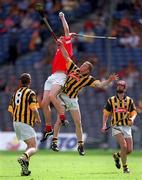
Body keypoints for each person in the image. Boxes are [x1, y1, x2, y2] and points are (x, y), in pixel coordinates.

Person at [50, 38, 119, 156]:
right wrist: (61, 46)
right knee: (59, 120)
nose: (81, 66)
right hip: (62, 96)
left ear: (87, 70)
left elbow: (100, 85)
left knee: (78, 122)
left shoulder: (88, 79)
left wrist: (108, 80)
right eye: (82, 65)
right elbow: (66, 56)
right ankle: (54, 142)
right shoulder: (73, 69)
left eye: (83, 66)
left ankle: (80, 145)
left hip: (72, 99)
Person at [41, 12, 74, 142]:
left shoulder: (67, 46)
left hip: (61, 75)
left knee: (51, 96)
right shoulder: (59, 48)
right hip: (53, 76)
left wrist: (62, 17)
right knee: (44, 103)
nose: (59, 38)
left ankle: (62, 117)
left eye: (63, 37)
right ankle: (48, 128)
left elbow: (66, 29)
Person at [8, 73, 41, 176]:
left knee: (29, 145)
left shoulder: (15, 93)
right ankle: (23, 157)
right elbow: (34, 108)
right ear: (29, 82)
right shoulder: (30, 93)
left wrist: (17, 119)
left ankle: (25, 171)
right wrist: (38, 119)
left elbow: (10, 110)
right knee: (34, 147)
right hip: (24, 122)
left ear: (20, 82)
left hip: (16, 122)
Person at [101, 80, 137, 173]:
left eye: (121, 86)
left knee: (129, 150)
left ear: (125, 88)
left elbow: (134, 112)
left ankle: (117, 156)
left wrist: (132, 119)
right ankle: (125, 168)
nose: (119, 87)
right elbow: (106, 114)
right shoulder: (111, 100)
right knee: (124, 146)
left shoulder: (129, 100)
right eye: (118, 86)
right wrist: (104, 124)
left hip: (127, 126)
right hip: (116, 126)